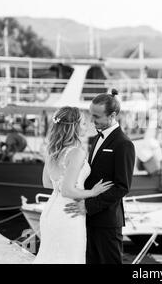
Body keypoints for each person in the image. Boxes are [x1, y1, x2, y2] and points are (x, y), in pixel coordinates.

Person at [33, 106, 113, 264]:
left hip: (51, 211)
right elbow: (67, 191)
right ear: (74, 126)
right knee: (69, 258)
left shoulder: (52, 150)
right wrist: (93, 192)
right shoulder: (76, 152)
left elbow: (48, 183)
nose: (86, 126)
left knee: (50, 256)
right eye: (83, 123)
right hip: (69, 213)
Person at [64, 89, 136, 264]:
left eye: (96, 117)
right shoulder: (96, 138)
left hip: (107, 221)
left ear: (112, 115)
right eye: (91, 115)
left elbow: (122, 187)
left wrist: (88, 206)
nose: (91, 120)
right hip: (88, 219)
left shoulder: (124, 144)